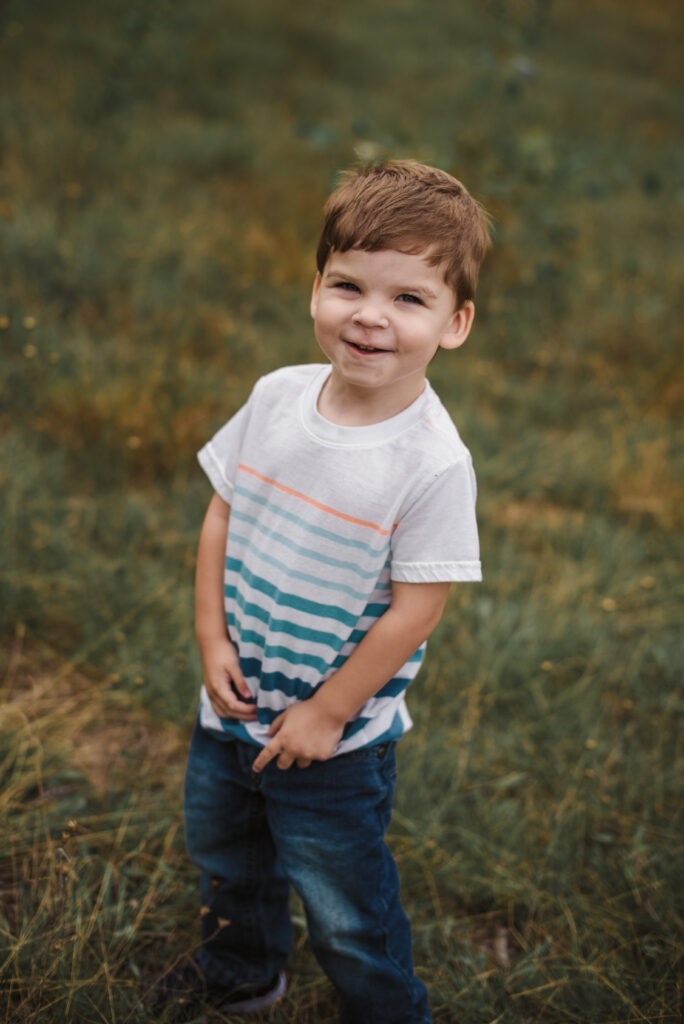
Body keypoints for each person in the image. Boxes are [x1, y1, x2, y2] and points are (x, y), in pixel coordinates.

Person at [165, 160, 490, 1022]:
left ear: (455, 324)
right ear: (316, 287)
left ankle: (387, 1012)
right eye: (348, 285)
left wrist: (331, 711)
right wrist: (212, 642)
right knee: (229, 856)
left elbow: (418, 607)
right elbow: (220, 517)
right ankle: (243, 972)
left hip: (335, 743)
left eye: (409, 299)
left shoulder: (430, 462)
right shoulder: (276, 399)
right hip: (234, 707)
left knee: (345, 907)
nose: (370, 317)